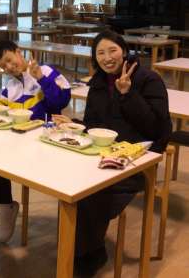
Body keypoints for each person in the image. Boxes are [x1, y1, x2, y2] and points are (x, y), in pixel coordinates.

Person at [53, 29, 172, 277]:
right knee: (68, 183)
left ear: (124, 51)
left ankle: (87, 255)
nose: (107, 58)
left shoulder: (148, 79)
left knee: (90, 194)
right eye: (100, 53)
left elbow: (156, 128)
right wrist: (74, 124)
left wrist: (128, 94)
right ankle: (80, 249)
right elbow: (94, 125)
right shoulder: (97, 83)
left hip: (136, 160)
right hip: (102, 154)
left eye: (112, 50)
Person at [0, 40, 71, 243]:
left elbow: (61, 101)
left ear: (19, 52)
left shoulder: (46, 71)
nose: (9, 67)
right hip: (17, 139)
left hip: (42, 140)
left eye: (9, 60)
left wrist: (41, 79)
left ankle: (5, 207)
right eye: (3, 66)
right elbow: (0, 114)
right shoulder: (10, 86)